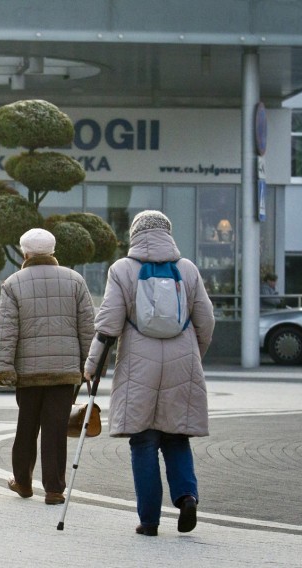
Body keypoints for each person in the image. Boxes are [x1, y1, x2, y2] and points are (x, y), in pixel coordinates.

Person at [83, 210, 215, 537]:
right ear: (168, 233)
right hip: (182, 362)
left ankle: (149, 522)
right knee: (176, 437)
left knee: (143, 443)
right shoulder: (187, 270)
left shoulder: (123, 270)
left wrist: (91, 368)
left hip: (137, 365)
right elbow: (206, 320)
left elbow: (108, 325)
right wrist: (194, 355)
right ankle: (186, 498)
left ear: (134, 235)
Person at [0, 228, 96, 505]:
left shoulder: (13, 283)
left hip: (28, 372)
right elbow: (88, 328)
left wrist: (4, 367)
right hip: (64, 371)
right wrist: (93, 364)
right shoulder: (75, 280)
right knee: (55, 429)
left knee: (26, 426)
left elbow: (6, 331)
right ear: (52, 252)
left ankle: (23, 482)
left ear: (24, 252)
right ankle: (54, 489)